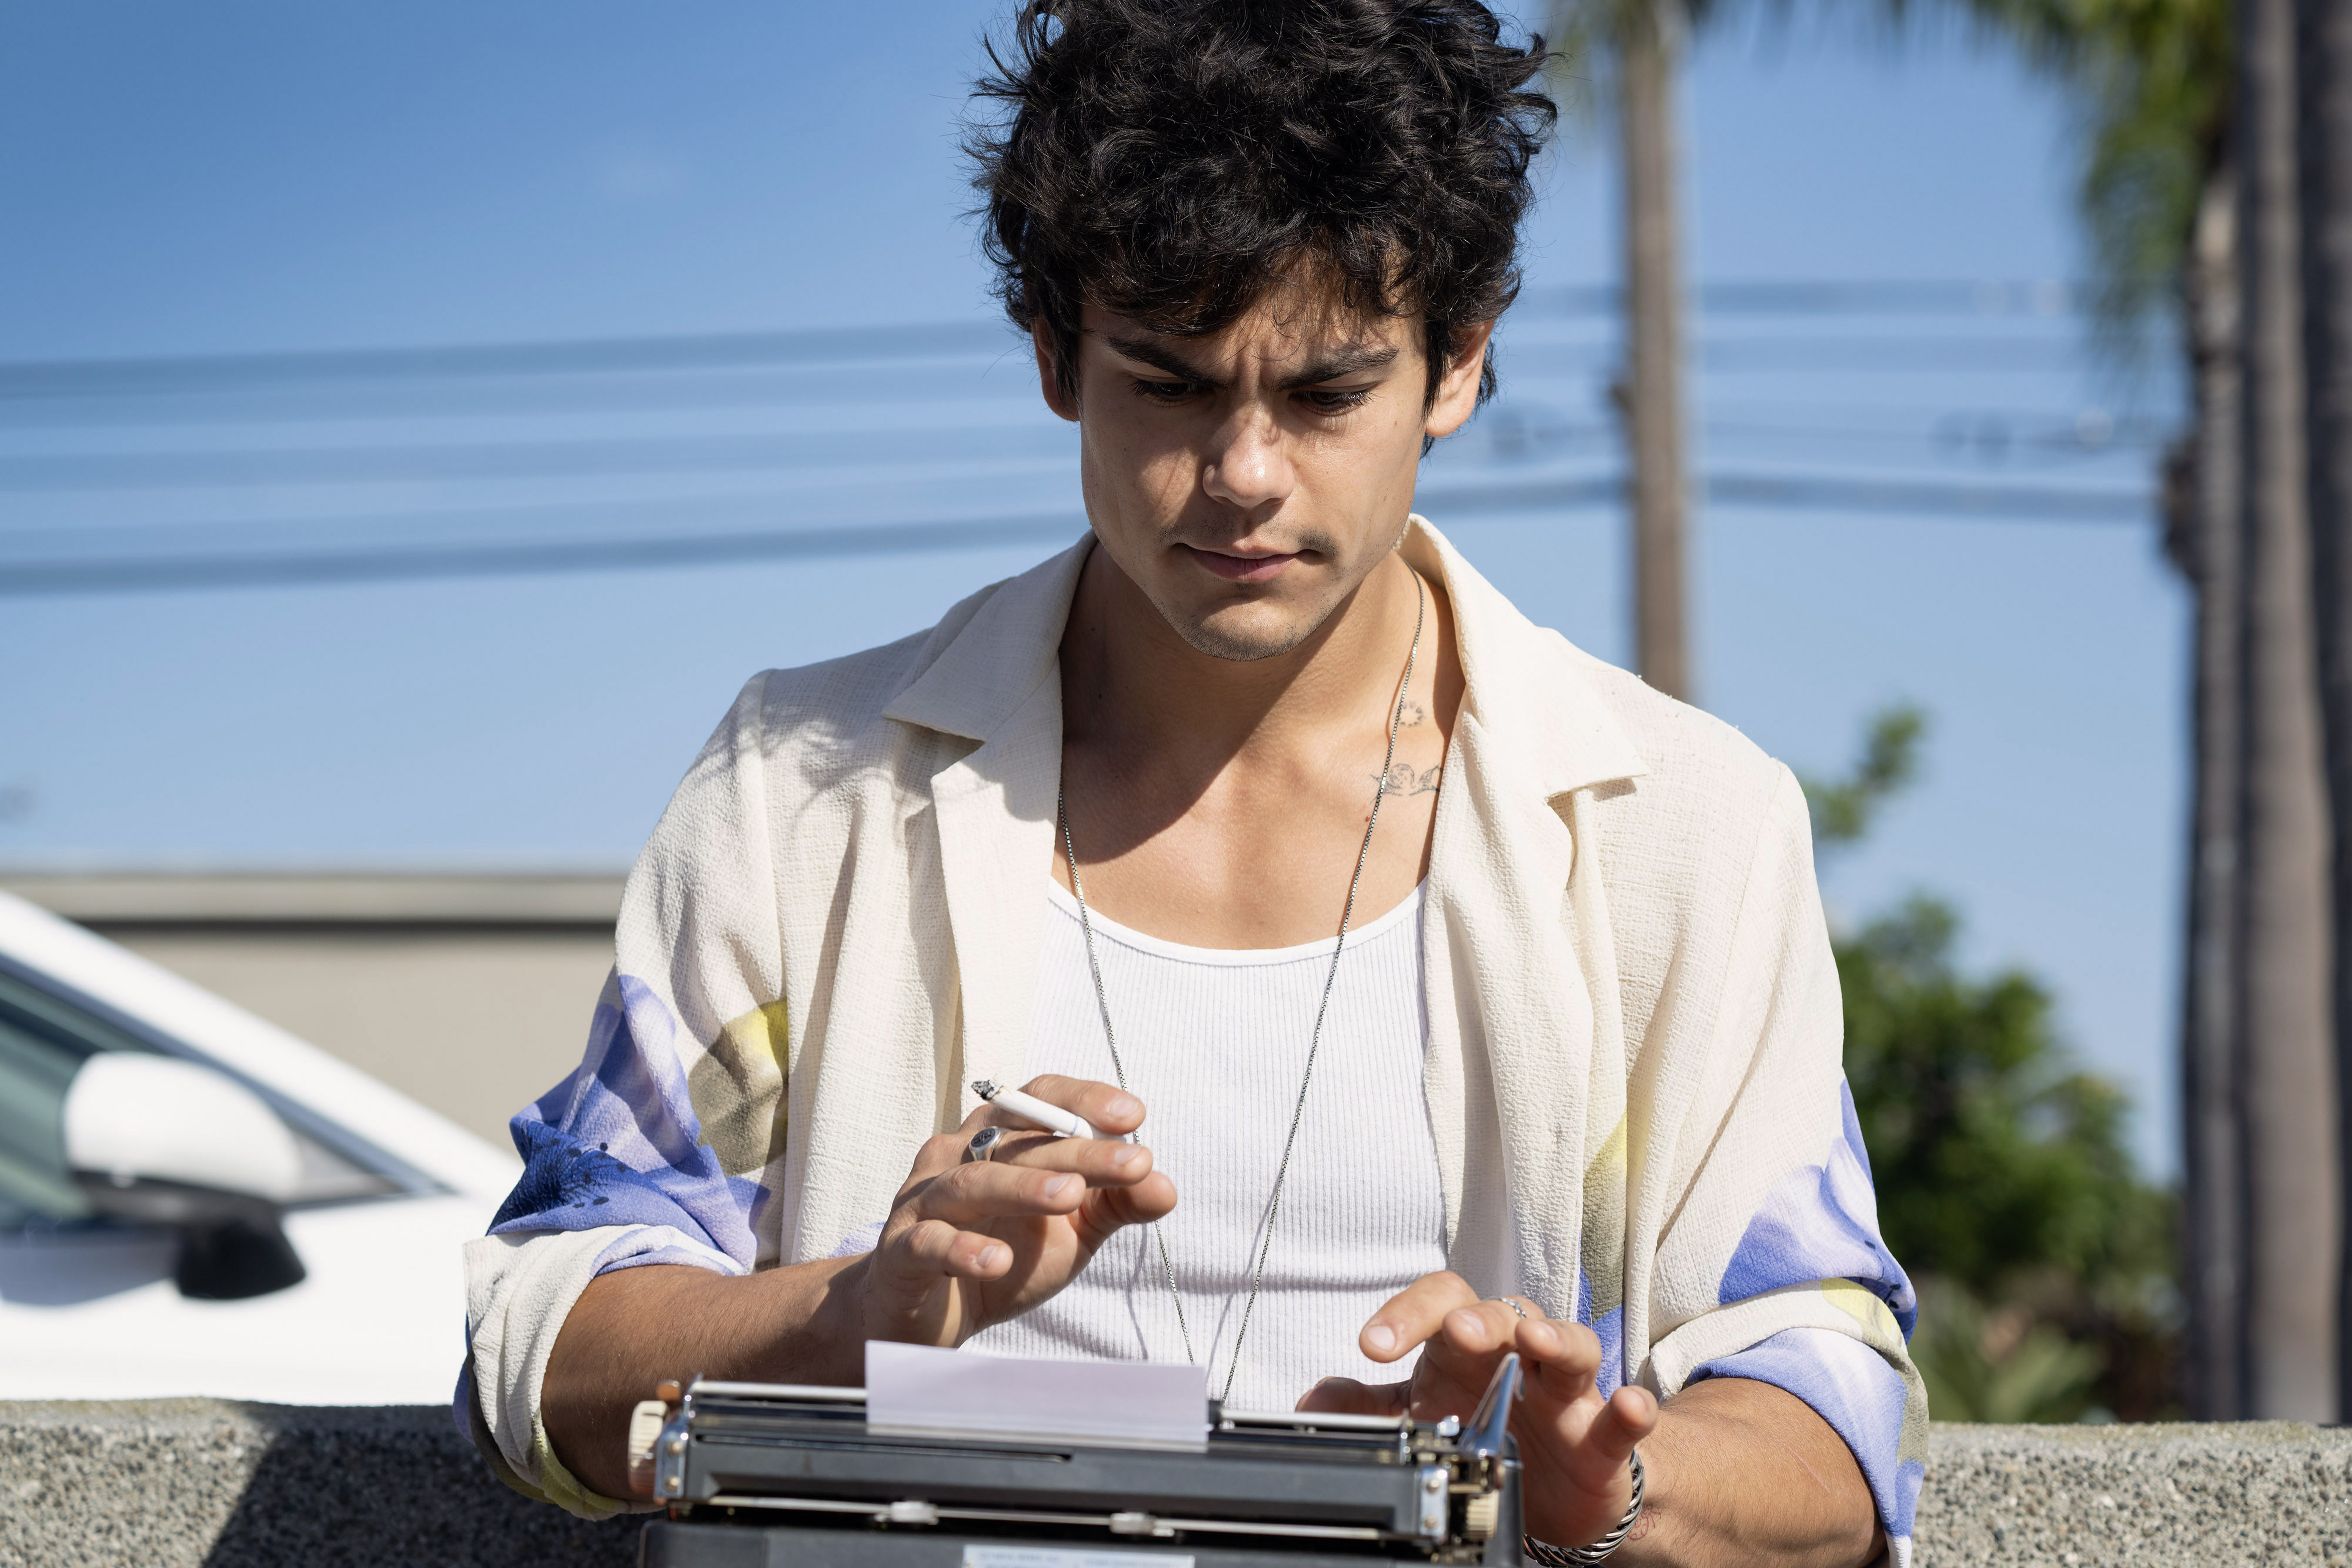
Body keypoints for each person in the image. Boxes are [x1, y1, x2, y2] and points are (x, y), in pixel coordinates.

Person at [458, 4, 1926, 1564]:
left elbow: (1835, 1408)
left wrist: (1609, 1488)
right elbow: (540, 1344)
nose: (1242, 471)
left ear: (1460, 361)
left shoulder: (1678, 832)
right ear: (1053, 356)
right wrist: (855, 1315)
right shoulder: (804, 794)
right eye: (1167, 382)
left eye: (1323, 394)